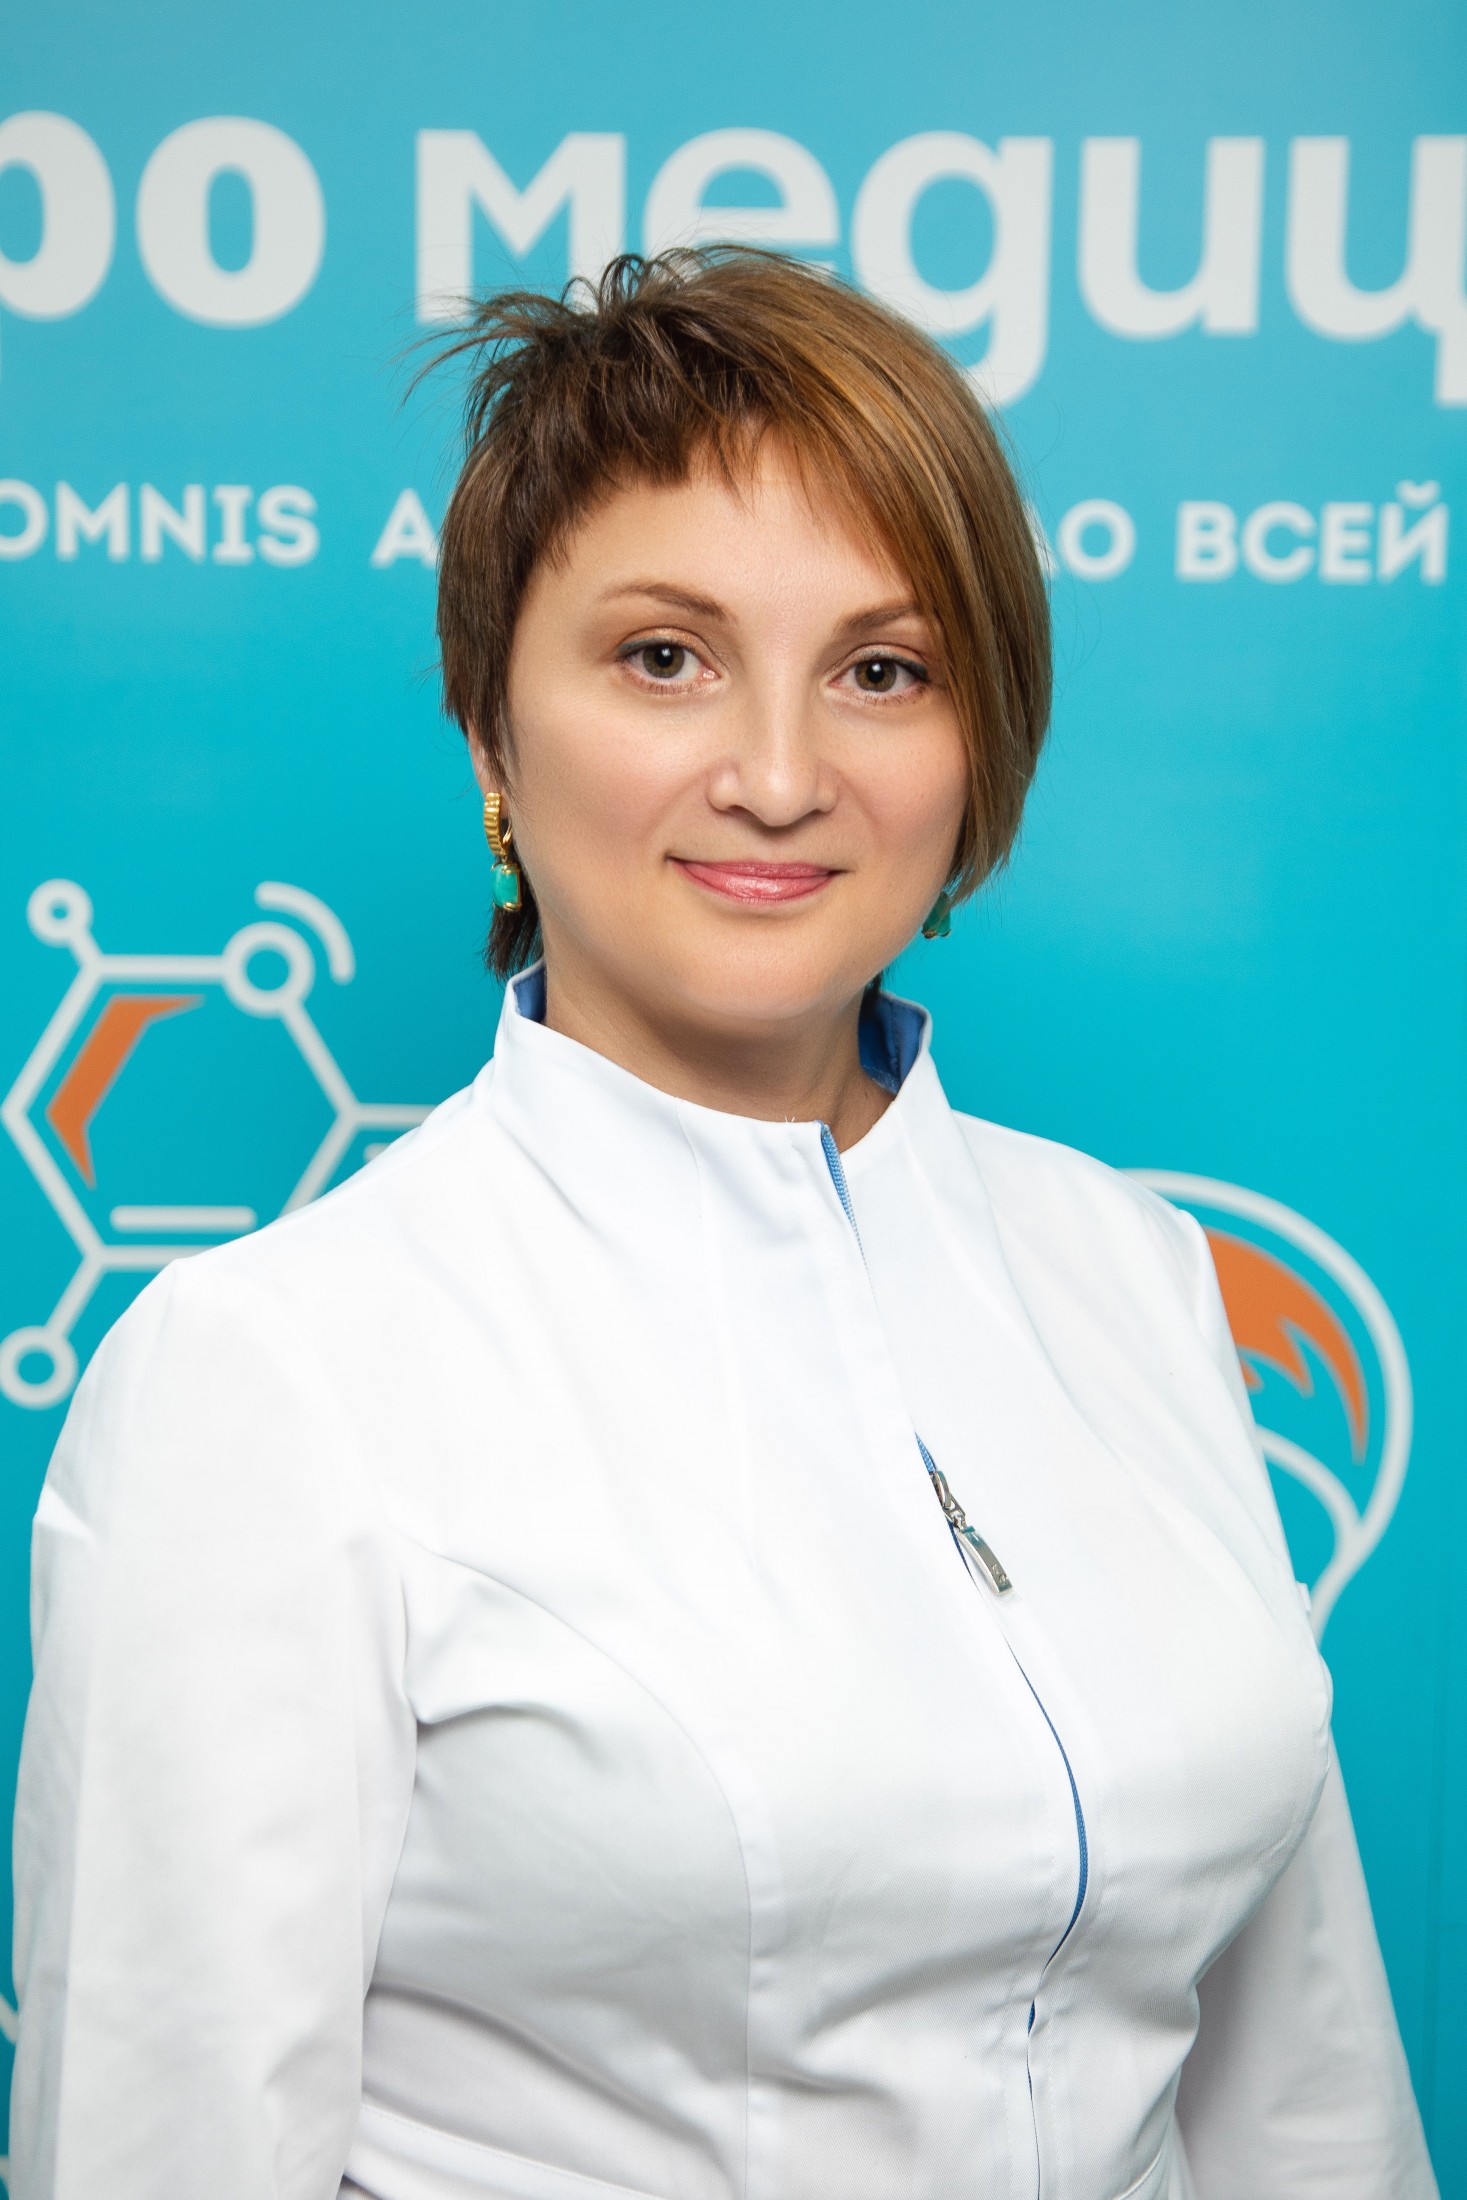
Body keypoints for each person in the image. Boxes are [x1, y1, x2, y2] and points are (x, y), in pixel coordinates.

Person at [10, 250, 1435, 2200]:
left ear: (979, 741)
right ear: (493, 737)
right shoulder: (269, 1377)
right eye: (663, 658)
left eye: (881, 669)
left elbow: (1302, 2084)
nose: (777, 777)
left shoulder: (1130, 1266)